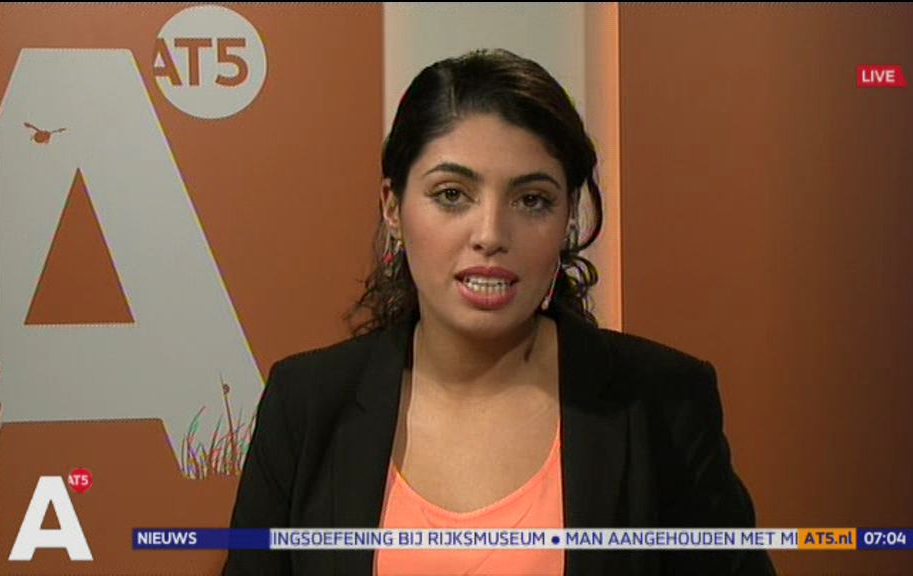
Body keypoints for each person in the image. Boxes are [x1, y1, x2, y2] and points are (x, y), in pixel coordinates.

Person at [224, 48, 775, 575]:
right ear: (392, 206)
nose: (490, 234)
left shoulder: (663, 402)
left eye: (531, 200)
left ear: (568, 218)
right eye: (452, 194)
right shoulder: (306, 404)